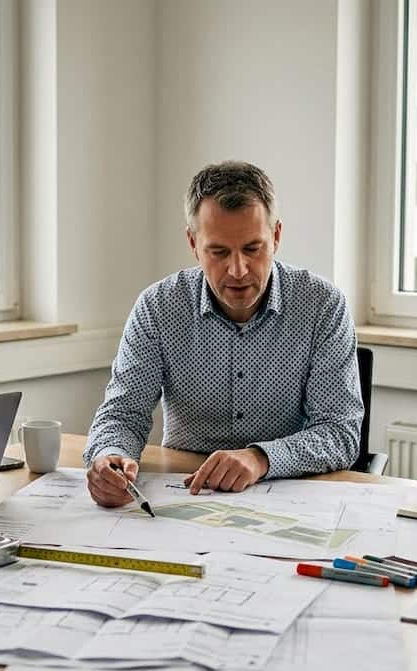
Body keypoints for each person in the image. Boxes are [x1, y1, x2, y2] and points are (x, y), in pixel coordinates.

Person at [84, 160, 364, 507]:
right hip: (186, 493)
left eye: (252, 248)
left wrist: (260, 458)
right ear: (193, 243)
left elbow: (339, 433)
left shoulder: (322, 304)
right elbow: (123, 413)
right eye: (218, 252)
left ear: (276, 236)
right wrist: (110, 456)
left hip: (289, 497)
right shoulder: (158, 306)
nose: (238, 270)